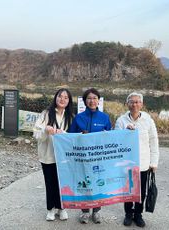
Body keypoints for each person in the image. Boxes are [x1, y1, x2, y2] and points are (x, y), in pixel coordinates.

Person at [115, 92, 159, 228]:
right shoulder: (121, 121)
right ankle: (128, 214)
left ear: (142, 104)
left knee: (141, 191)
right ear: (127, 104)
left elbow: (153, 141)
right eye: (132, 102)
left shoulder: (148, 120)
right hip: (127, 163)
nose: (135, 104)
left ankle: (138, 215)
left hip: (143, 163)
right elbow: (115, 140)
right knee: (128, 191)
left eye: (137, 102)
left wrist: (154, 162)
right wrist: (124, 133)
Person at [68, 88, 112, 224]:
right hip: (82, 158)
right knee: (84, 183)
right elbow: (70, 136)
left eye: (94, 98)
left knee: (98, 184)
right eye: (89, 98)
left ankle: (96, 212)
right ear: (85, 101)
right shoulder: (79, 118)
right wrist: (81, 136)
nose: (92, 101)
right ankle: (85, 212)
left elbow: (110, 138)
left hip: (98, 159)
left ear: (98, 100)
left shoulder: (105, 118)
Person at [33, 88, 74, 221]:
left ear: (69, 101)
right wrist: (45, 129)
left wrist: (64, 134)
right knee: (50, 183)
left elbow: (74, 137)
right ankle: (51, 209)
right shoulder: (46, 114)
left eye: (66, 97)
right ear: (55, 98)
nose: (62, 99)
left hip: (64, 158)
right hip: (48, 155)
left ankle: (62, 208)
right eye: (60, 96)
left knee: (63, 183)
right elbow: (36, 133)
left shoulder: (71, 117)